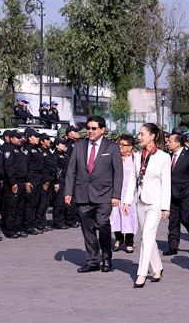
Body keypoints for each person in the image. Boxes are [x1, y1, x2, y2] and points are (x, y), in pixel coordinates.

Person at [64, 115, 123, 273]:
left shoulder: (111, 147)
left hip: (104, 195)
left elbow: (118, 173)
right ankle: (92, 261)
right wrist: (68, 192)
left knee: (103, 225)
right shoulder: (79, 146)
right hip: (83, 195)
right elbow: (71, 170)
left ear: (102, 130)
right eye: (88, 128)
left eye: (93, 128)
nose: (90, 131)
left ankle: (106, 257)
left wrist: (116, 195)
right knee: (87, 229)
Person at [123, 123, 171, 288]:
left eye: (142, 134)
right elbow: (132, 180)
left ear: (152, 136)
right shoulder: (137, 156)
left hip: (155, 203)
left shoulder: (163, 157)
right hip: (140, 202)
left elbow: (167, 183)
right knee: (148, 237)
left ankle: (141, 273)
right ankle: (157, 268)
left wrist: (166, 207)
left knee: (146, 238)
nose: (139, 137)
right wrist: (127, 201)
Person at [164, 131, 189, 255]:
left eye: (170, 141)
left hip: (186, 193)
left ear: (178, 143)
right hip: (171, 194)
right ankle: (173, 246)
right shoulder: (168, 156)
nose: (168, 143)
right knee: (173, 220)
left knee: (185, 218)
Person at [111, 134, 138, 254]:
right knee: (115, 216)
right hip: (116, 192)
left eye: (124, 145)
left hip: (130, 194)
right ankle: (118, 238)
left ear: (131, 147)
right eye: (119, 144)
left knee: (129, 217)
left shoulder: (135, 158)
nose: (120, 147)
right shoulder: (114, 157)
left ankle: (129, 242)